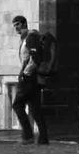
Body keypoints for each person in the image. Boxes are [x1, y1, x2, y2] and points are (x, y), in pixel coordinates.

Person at [9, 14, 52, 145]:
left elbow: (35, 58)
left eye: (17, 25)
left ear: (23, 24)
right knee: (35, 108)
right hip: (33, 78)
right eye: (14, 25)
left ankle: (27, 136)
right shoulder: (26, 38)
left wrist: (25, 74)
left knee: (17, 104)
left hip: (30, 78)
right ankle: (43, 138)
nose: (16, 28)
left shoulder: (31, 37)